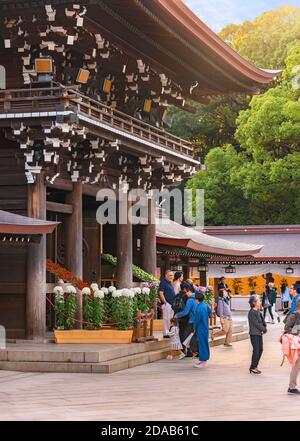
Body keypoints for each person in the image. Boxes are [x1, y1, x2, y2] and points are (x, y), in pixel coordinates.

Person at [283, 298, 300, 395]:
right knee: (296, 366)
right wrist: (298, 330)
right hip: (296, 344)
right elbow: (287, 328)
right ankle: (291, 387)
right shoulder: (294, 315)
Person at [176, 282, 197, 358]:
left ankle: (192, 351)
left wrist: (177, 315)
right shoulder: (197, 298)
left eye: (186, 292)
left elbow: (186, 311)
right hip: (197, 321)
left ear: (187, 290)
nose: (186, 294)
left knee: (186, 337)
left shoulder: (190, 300)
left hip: (191, 321)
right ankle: (195, 352)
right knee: (193, 336)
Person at [248, 295, 267, 374]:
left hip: (259, 333)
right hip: (254, 334)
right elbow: (256, 324)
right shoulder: (251, 312)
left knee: (260, 349)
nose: (260, 302)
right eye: (258, 300)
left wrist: (264, 327)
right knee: (256, 350)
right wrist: (263, 329)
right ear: (254, 303)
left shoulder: (258, 311)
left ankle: (255, 366)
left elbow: (262, 321)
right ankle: (253, 367)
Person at [193, 292, 212, 369]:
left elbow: (197, 320)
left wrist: (194, 327)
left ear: (197, 299)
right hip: (205, 327)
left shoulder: (198, 308)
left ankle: (203, 362)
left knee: (202, 344)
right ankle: (203, 360)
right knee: (204, 343)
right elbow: (210, 311)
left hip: (200, 328)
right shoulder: (204, 305)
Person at [159, 270, 175, 338]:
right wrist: (165, 303)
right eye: (170, 275)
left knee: (170, 319)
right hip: (167, 304)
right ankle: (166, 334)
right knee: (166, 319)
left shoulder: (170, 283)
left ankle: (168, 333)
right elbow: (161, 293)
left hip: (171, 304)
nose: (171, 277)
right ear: (166, 275)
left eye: (172, 275)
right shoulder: (163, 282)